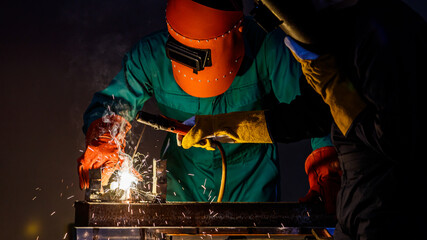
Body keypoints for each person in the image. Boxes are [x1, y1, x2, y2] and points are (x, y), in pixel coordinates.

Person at [183, 0, 426, 238]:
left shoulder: (384, 30)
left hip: (394, 214)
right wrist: (222, 126)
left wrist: (332, 85)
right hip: (356, 208)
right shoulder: (340, 31)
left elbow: (397, 140)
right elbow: (311, 115)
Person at [77, 0, 335, 202]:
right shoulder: (150, 57)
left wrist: (328, 168)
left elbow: (316, 111)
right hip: (182, 185)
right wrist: (105, 135)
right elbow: (113, 103)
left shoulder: (268, 46)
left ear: (238, 31)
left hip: (251, 185)